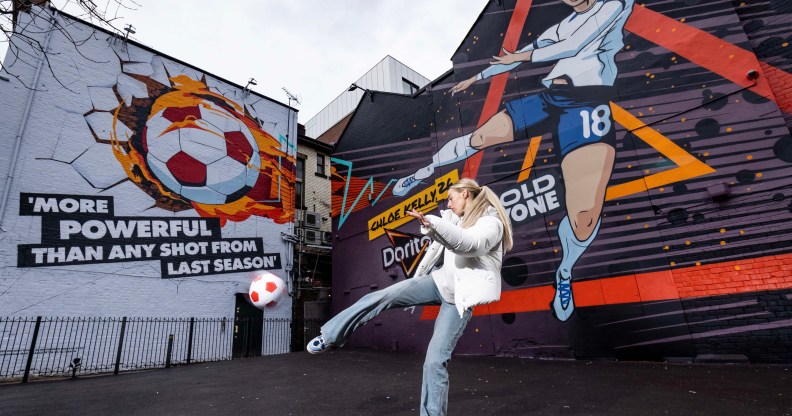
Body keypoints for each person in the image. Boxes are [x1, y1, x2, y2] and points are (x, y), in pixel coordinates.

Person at [391, 0, 634, 322]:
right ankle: (423, 172)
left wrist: (521, 56)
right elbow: (511, 59)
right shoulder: (562, 24)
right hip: (549, 98)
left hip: (587, 105)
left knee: (585, 214)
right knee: (479, 137)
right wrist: (476, 76)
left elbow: (574, 45)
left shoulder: (614, 5)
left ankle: (564, 273)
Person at [306, 178, 513, 416]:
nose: (449, 202)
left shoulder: (490, 223)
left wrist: (433, 223)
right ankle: (331, 336)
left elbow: (469, 245)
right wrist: (428, 239)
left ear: (465, 194)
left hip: (458, 300)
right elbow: (437, 250)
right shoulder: (457, 218)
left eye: (451, 197)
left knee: (435, 362)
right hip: (437, 282)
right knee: (381, 296)